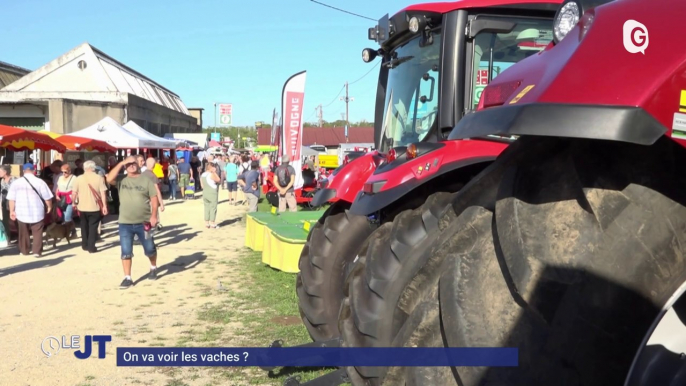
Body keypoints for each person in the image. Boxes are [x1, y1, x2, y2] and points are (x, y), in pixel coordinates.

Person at [106, 156, 159, 289]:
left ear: (138, 164)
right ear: (125, 166)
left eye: (133, 163)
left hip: (144, 222)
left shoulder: (146, 180)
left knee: (150, 248)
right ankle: (127, 277)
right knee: (126, 251)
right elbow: (108, 179)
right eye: (128, 164)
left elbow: (154, 199)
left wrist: (154, 216)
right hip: (125, 222)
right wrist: (122, 163)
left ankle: (153, 267)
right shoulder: (121, 180)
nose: (131, 166)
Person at [7, 163, 53, 257]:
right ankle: (36, 251)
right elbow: (47, 197)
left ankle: (24, 250)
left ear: (23, 171)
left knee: (23, 232)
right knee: (37, 231)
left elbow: (12, 198)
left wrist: (12, 210)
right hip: (37, 210)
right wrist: (49, 206)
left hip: (21, 211)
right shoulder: (40, 182)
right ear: (33, 171)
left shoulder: (16, 182)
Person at [72, 160, 108, 253]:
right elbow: (103, 193)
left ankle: (84, 245)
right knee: (93, 227)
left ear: (84, 168)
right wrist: (104, 206)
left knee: (84, 226)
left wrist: (74, 203)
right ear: (93, 168)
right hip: (94, 207)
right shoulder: (99, 178)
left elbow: (74, 193)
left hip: (82, 207)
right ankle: (91, 247)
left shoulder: (78, 178)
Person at [142, 157, 165, 229]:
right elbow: (157, 190)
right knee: (153, 217)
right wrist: (161, 203)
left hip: (143, 200)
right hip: (152, 200)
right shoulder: (153, 176)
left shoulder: (141, 175)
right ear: (154, 165)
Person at [55, 164, 77, 234]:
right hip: (62, 199)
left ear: (69, 171)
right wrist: (56, 195)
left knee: (67, 217)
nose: (64, 174)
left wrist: (75, 201)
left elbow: (76, 189)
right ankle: (73, 231)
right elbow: (58, 187)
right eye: (62, 172)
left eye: (65, 172)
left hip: (70, 198)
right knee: (64, 217)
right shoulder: (60, 178)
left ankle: (66, 233)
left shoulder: (74, 178)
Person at [0, 165, 18, 243]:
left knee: (16, 220)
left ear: (5, 172)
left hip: (14, 202)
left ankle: (20, 236)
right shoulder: (2, 181)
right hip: (4, 203)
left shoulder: (15, 180)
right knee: (5, 221)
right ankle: (8, 238)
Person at [201, 162, 221, 228]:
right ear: (211, 167)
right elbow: (218, 180)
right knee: (213, 207)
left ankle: (207, 222)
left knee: (206, 207)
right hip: (212, 192)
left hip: (205, 192)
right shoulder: (211, 174)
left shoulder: (202, 175)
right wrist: (214, 172)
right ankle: (212, 222)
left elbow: (202, 186)